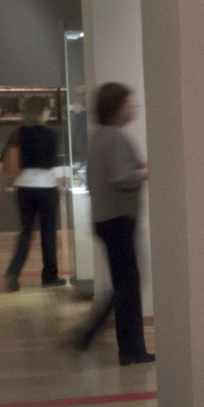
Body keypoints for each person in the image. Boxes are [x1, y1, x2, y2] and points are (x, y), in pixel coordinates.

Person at [73, 83, 153, 366]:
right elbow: (120, 178)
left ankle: (126, 349)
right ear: (117, 106)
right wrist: (145, 172)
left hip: (108, 220)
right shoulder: (113, 138)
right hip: (117, 220)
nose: (134, 107)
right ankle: (125, 348)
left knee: (125, 284)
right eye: (129, 103)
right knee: (127, 285)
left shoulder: (102, 137)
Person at [2, 96, 67, 291]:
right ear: (42, 112)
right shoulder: (51, 134)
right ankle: (49, 275)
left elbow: (4, 160)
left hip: (23, 186)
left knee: (26, 232)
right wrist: (61, 185)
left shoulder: (18, 133)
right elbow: (54, 165)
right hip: (46, 187)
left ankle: (13, 273)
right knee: (48, 232)